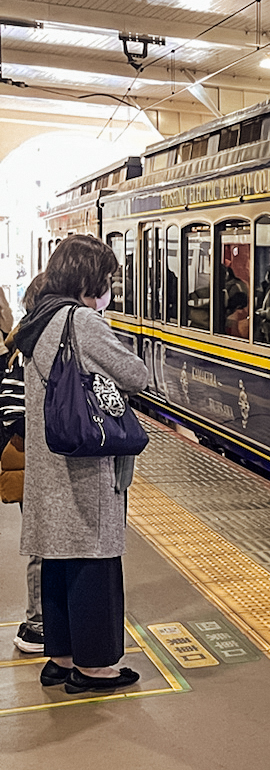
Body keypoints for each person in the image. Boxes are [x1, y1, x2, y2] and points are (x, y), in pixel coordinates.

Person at [13, 235, 150, 694]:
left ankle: (62, 658)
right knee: (95, 562)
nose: (110, 288)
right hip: (83, 466)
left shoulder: (37, 318)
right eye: (108, 279)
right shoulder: (82, 322)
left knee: (57, 562)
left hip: (47, 463)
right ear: (91, 280)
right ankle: (95, 669)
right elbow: (136, 375)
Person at [1, 273, 49, 665]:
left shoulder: (25, 342)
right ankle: (36, 624)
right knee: (40, 543)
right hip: (32, 462)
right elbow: (13, 411)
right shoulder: (26, 349)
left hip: (34, 460)